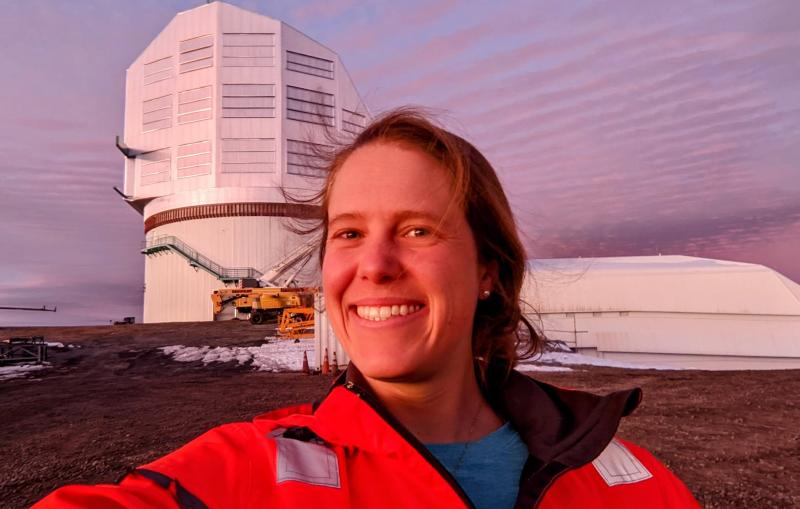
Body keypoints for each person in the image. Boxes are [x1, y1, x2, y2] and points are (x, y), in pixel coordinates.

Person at [34, 108, 700, 508]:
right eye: (348, 233)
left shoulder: (634, 483)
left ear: (489, 271)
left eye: (416, 229)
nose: (374, 265)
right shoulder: (246, 473)